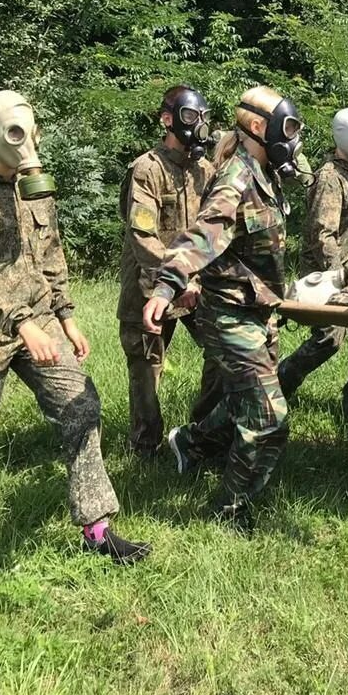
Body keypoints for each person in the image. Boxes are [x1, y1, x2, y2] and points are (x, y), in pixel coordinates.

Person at [0, 91, 149, 566]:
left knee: (82, 409)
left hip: (40, 322)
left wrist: (66, 318)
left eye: (29, 130)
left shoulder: (35, 187)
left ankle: (96, 528)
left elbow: (50, 256)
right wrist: (22, 322)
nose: (24, 142)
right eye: (14, 133)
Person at [144, 85, 300, 532]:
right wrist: (166, 286)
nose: (292, 139)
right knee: (268, 417)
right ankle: (229, 512)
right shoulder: (236, 178)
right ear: (257, 127)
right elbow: (201, 235)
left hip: (258, 313)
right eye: (287, 128)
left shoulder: (265, 175)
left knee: (240, 402)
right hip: (229, 314)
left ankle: (189, 444)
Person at [118, 86, 216, 459]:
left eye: (203, 119)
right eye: (190, 118)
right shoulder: (147, 169)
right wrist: (178, 280)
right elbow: (142, 235)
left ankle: (201, 433)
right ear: (167, 120)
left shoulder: (205, 171)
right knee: (146, 367)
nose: (198, 127)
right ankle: (146, 449)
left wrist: (199, 280)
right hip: (149, 287)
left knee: (224, 350)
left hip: (196, 287)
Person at [278, 108, 348, 417]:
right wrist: (337, 277)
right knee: (328, 340)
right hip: (332, 274)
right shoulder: (329, 177)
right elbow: (322, 233)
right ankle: (281, 382)